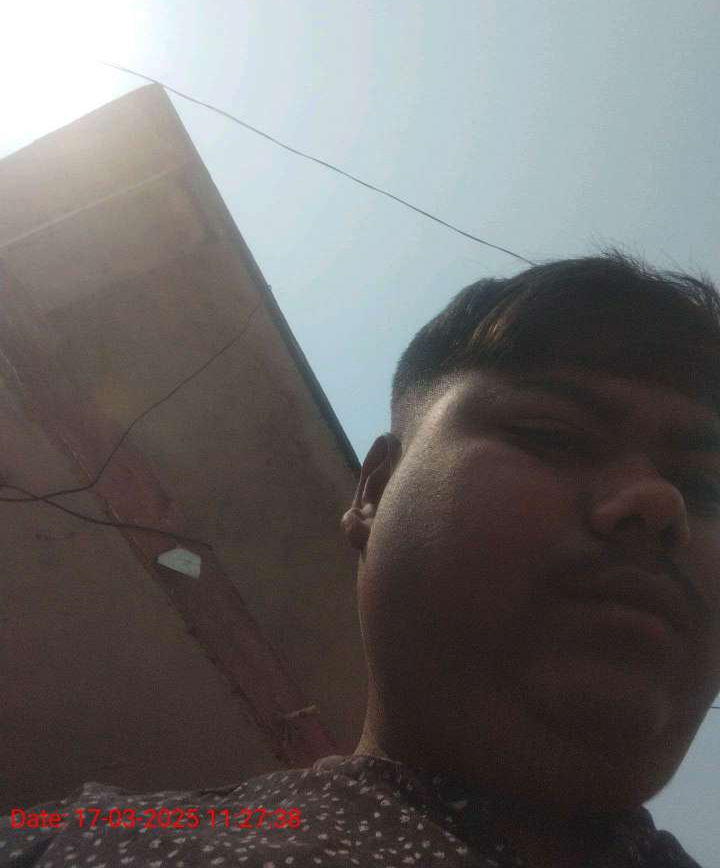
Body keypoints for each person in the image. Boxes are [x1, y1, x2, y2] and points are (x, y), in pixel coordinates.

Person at [2, 245, 719, 867]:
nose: (659, 504)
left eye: (710, 488)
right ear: (373, 491)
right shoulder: (70, 847)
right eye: (552, 435)